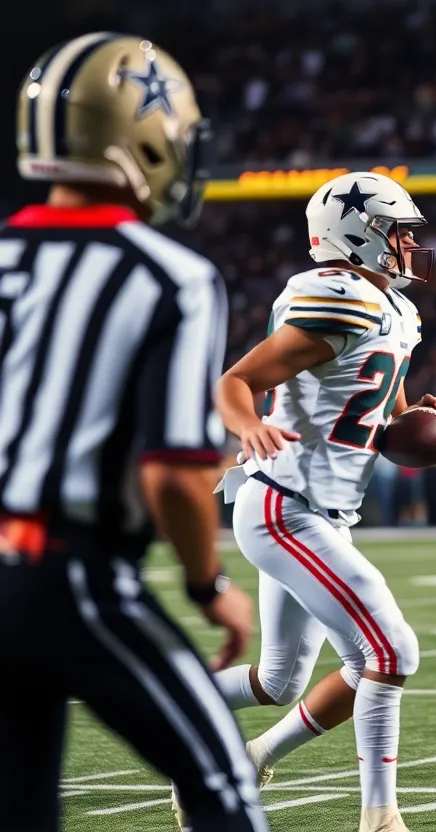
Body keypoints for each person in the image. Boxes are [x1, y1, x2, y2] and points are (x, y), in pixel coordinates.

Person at [0, 33, 264, 831]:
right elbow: (174, 474)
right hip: (69, 577)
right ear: (141, 138)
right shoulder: (168, 274)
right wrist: (206, 586)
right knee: (223, 792)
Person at [200, 171, 436, 832]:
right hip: (283, 503)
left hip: (318, 513)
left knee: (278, 682)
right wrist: (249, 425)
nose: (410, 244)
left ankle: (199, 718)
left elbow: (390, 420)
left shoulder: (394, 310)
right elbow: (236, 381)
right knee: (390, 653)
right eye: (400, 232)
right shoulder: (338, 297)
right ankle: (381, 821)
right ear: (361, 236)